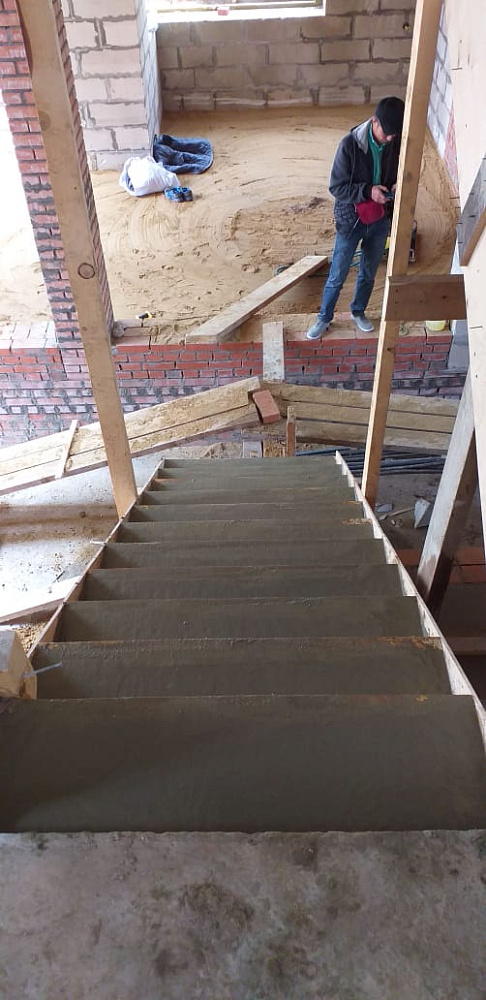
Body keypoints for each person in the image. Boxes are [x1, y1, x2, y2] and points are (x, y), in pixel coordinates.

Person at [306, 96, 405, 339]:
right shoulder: (349, 145)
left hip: (379, 219)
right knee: (338, 274)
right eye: (387, 133)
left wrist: (394, 185)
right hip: (351, 221)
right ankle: (324, 318)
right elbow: (336, 187)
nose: (389, 139)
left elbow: (399, 171)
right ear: (374, 122)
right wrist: (368, 191)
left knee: (368, 272)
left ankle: (358, 311)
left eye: (394, 135)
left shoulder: (395, 142)